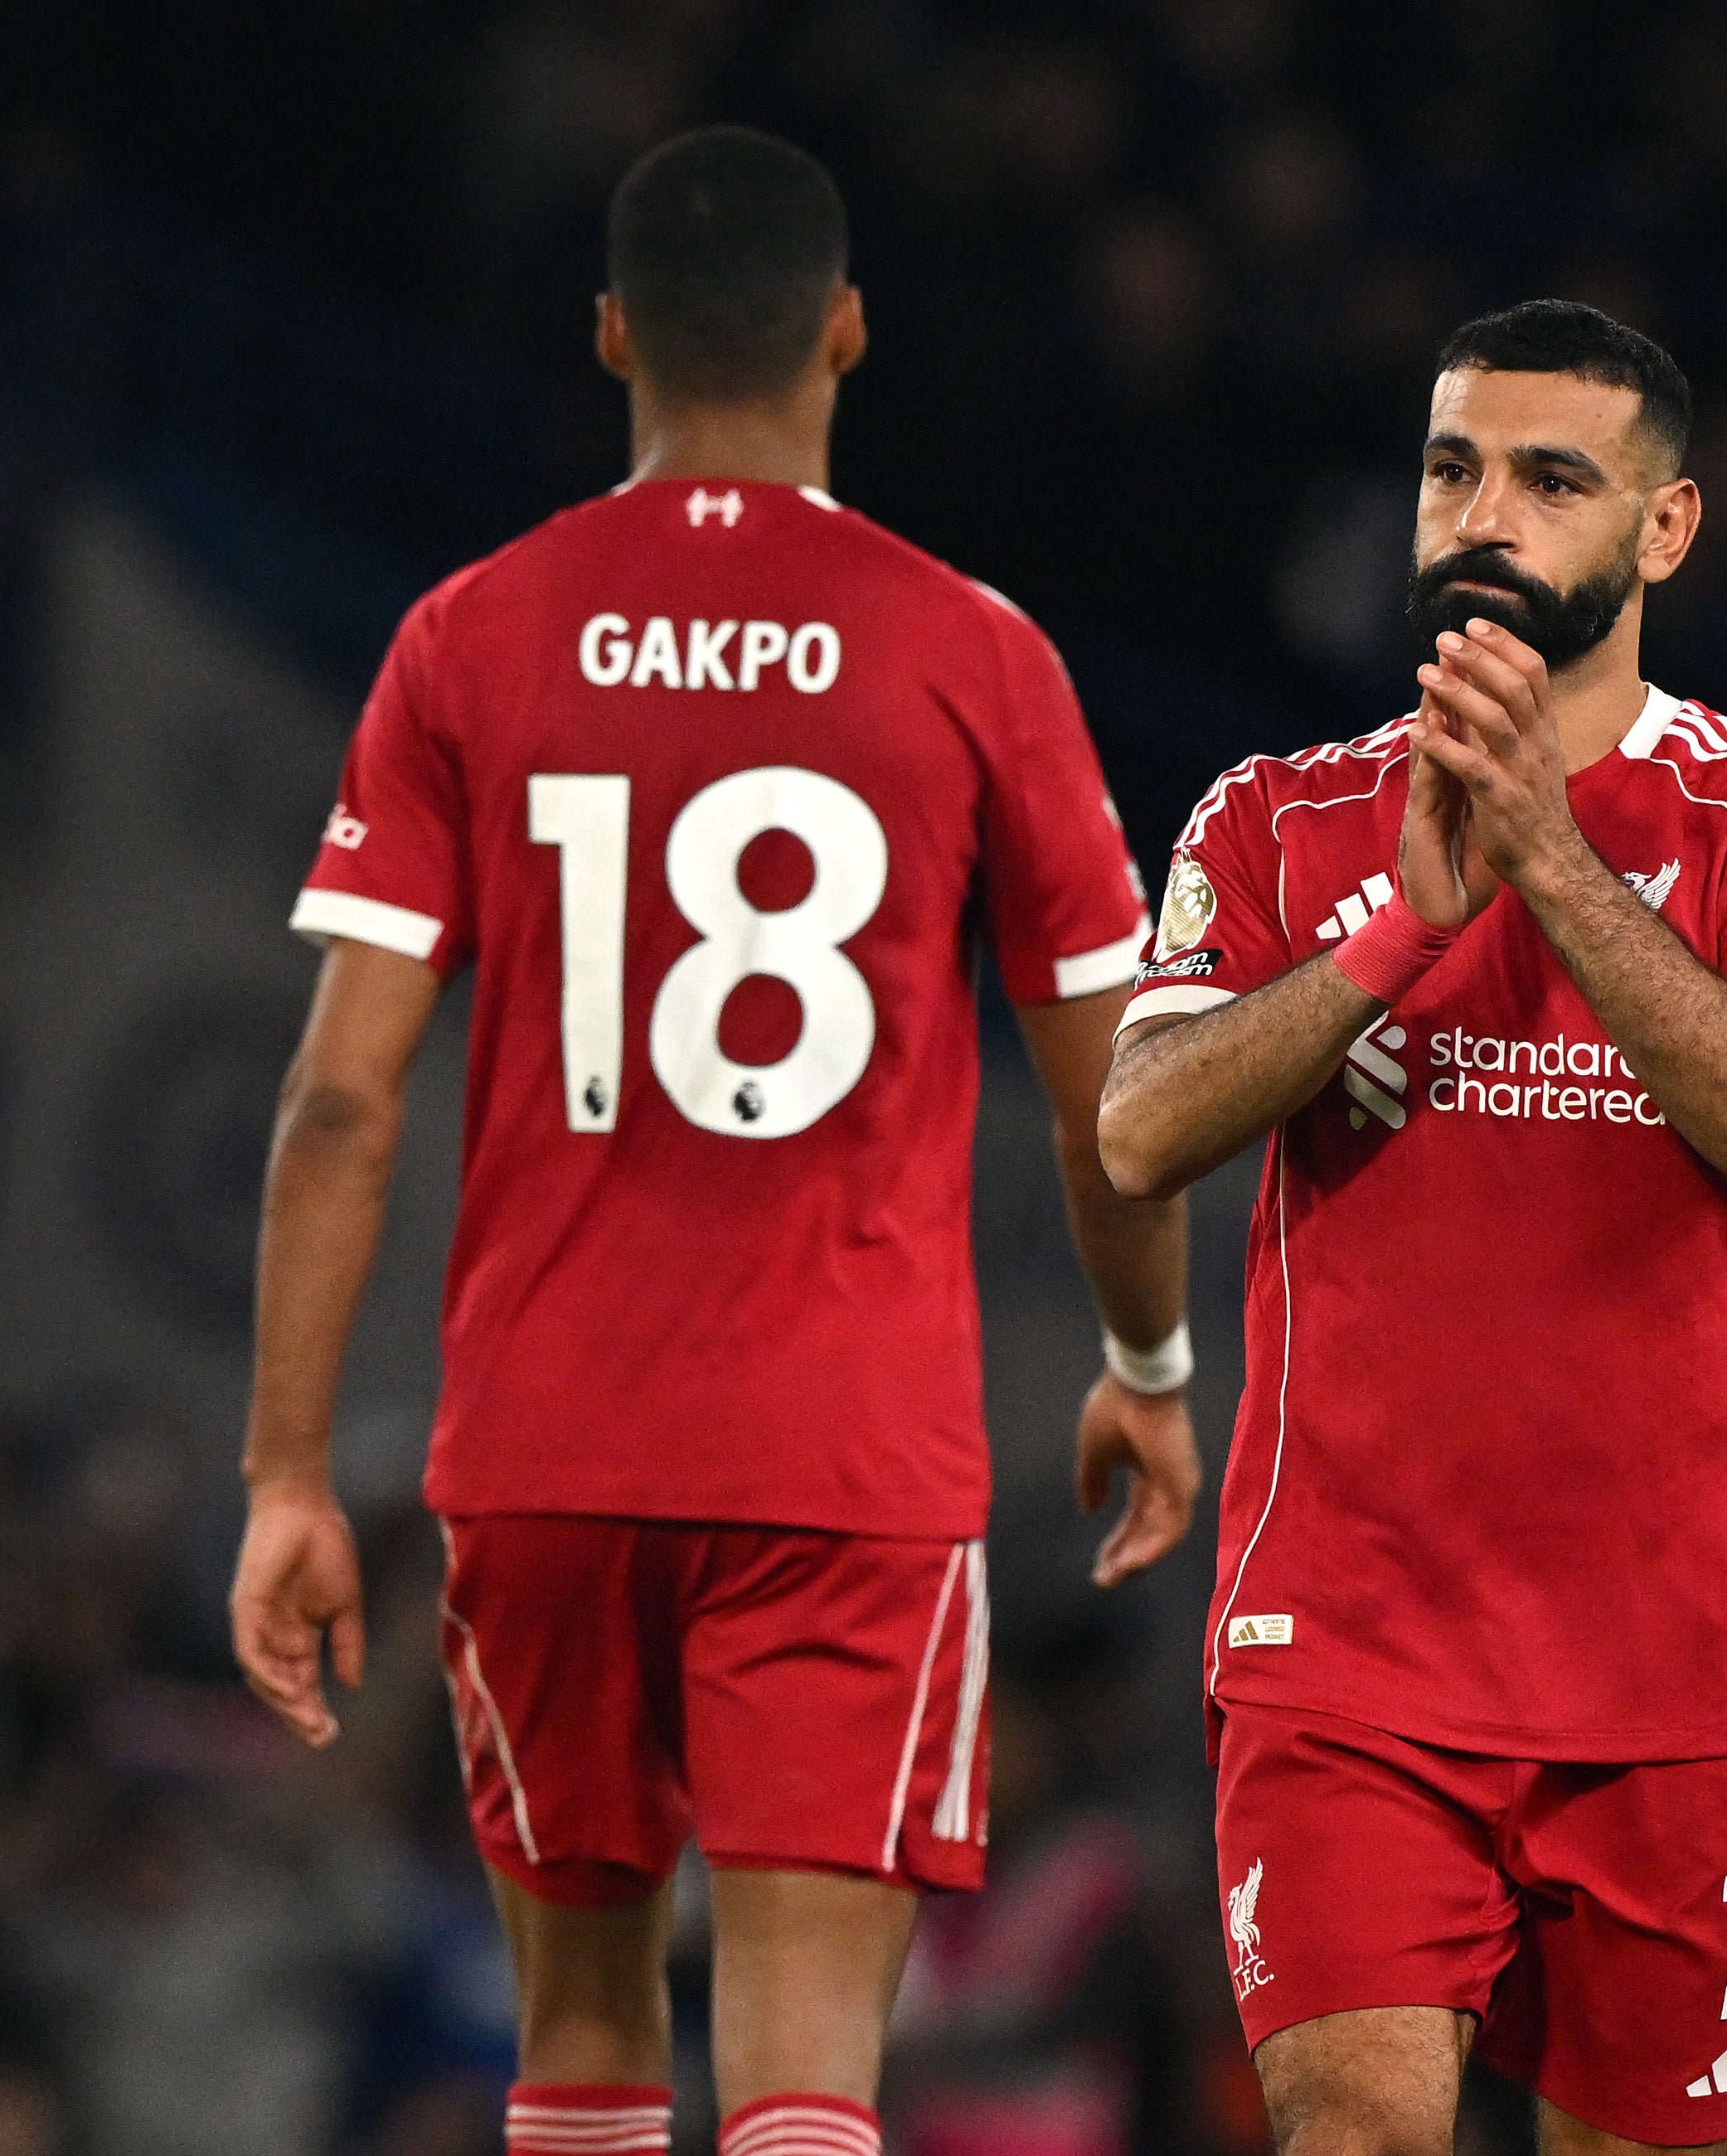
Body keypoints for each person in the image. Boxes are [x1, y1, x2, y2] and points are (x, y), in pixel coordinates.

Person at [227, 126, 1201, 2156]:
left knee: (577, 2037)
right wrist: (1144, 1368)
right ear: (847, 332)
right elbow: (1112, 1097)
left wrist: (288, 1470)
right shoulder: (973, 652)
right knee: (806, 2066)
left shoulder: (469, 635)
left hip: (549, 1441)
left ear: (610, 339)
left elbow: (339, 1092)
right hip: (841, 1455)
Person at [1099, 299, 1727, 2156]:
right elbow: (1138, 1127)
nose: (1485, 515)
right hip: (1353, 1649)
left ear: (1665, 530)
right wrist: (1393, 932)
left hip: (1680, 1670)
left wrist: (1548, 854)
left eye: (1551, 478)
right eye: (1454, 468)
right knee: (1356, 2133)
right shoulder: (1284, 812)